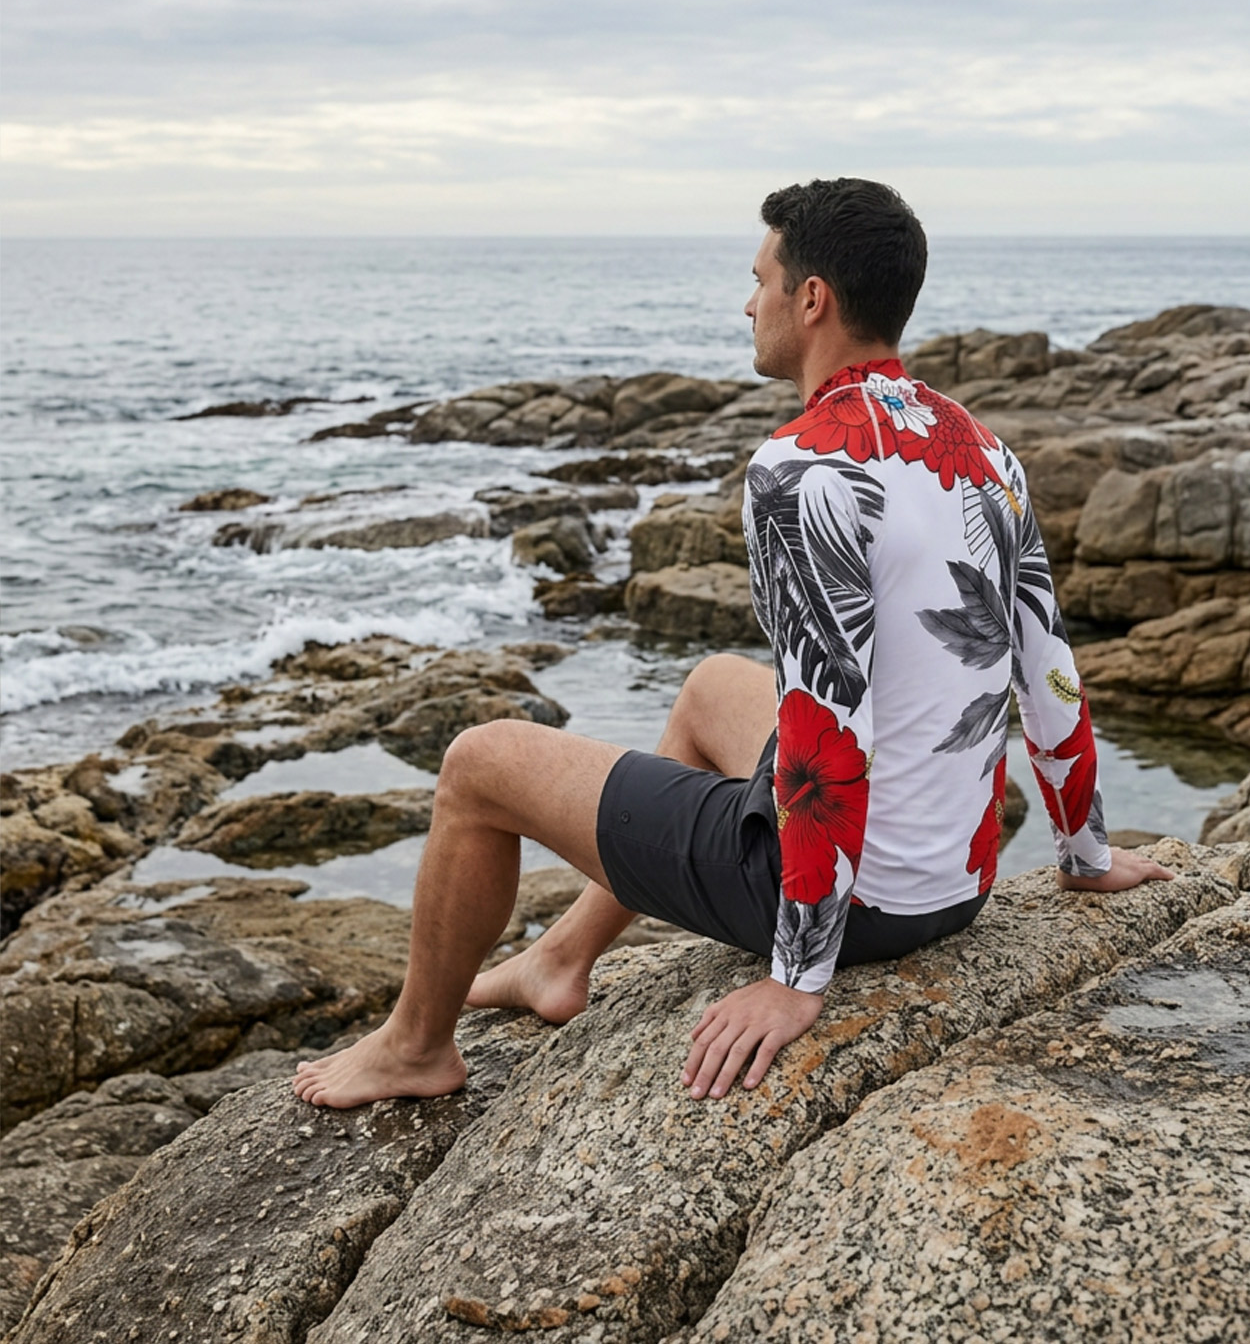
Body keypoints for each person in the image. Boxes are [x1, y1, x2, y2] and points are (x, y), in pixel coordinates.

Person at [292, 177, 1173, 1111]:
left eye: (759, 279)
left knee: (477, 764)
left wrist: (798, 974)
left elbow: (826, 716)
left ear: (812, 297)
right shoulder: (985, 452)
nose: (748, 302)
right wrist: (1085, 855)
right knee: (713, 685)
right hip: (957, 881)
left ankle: (416, 1045)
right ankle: (560, 957)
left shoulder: (798, 469)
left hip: (859, 905)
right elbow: (1049, 665)